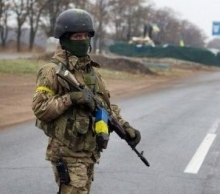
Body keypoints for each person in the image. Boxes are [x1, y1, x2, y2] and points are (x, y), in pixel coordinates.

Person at [31, 8, 141, 194]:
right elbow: (40, 108)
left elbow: (105, 106)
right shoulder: (51, 71)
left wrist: (125, 127)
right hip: (66, 151)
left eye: (85, 36)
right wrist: (72, 98)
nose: (82, 40)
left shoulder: (91, 72)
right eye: (77, 37)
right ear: (65, 39)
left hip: (89, 151)